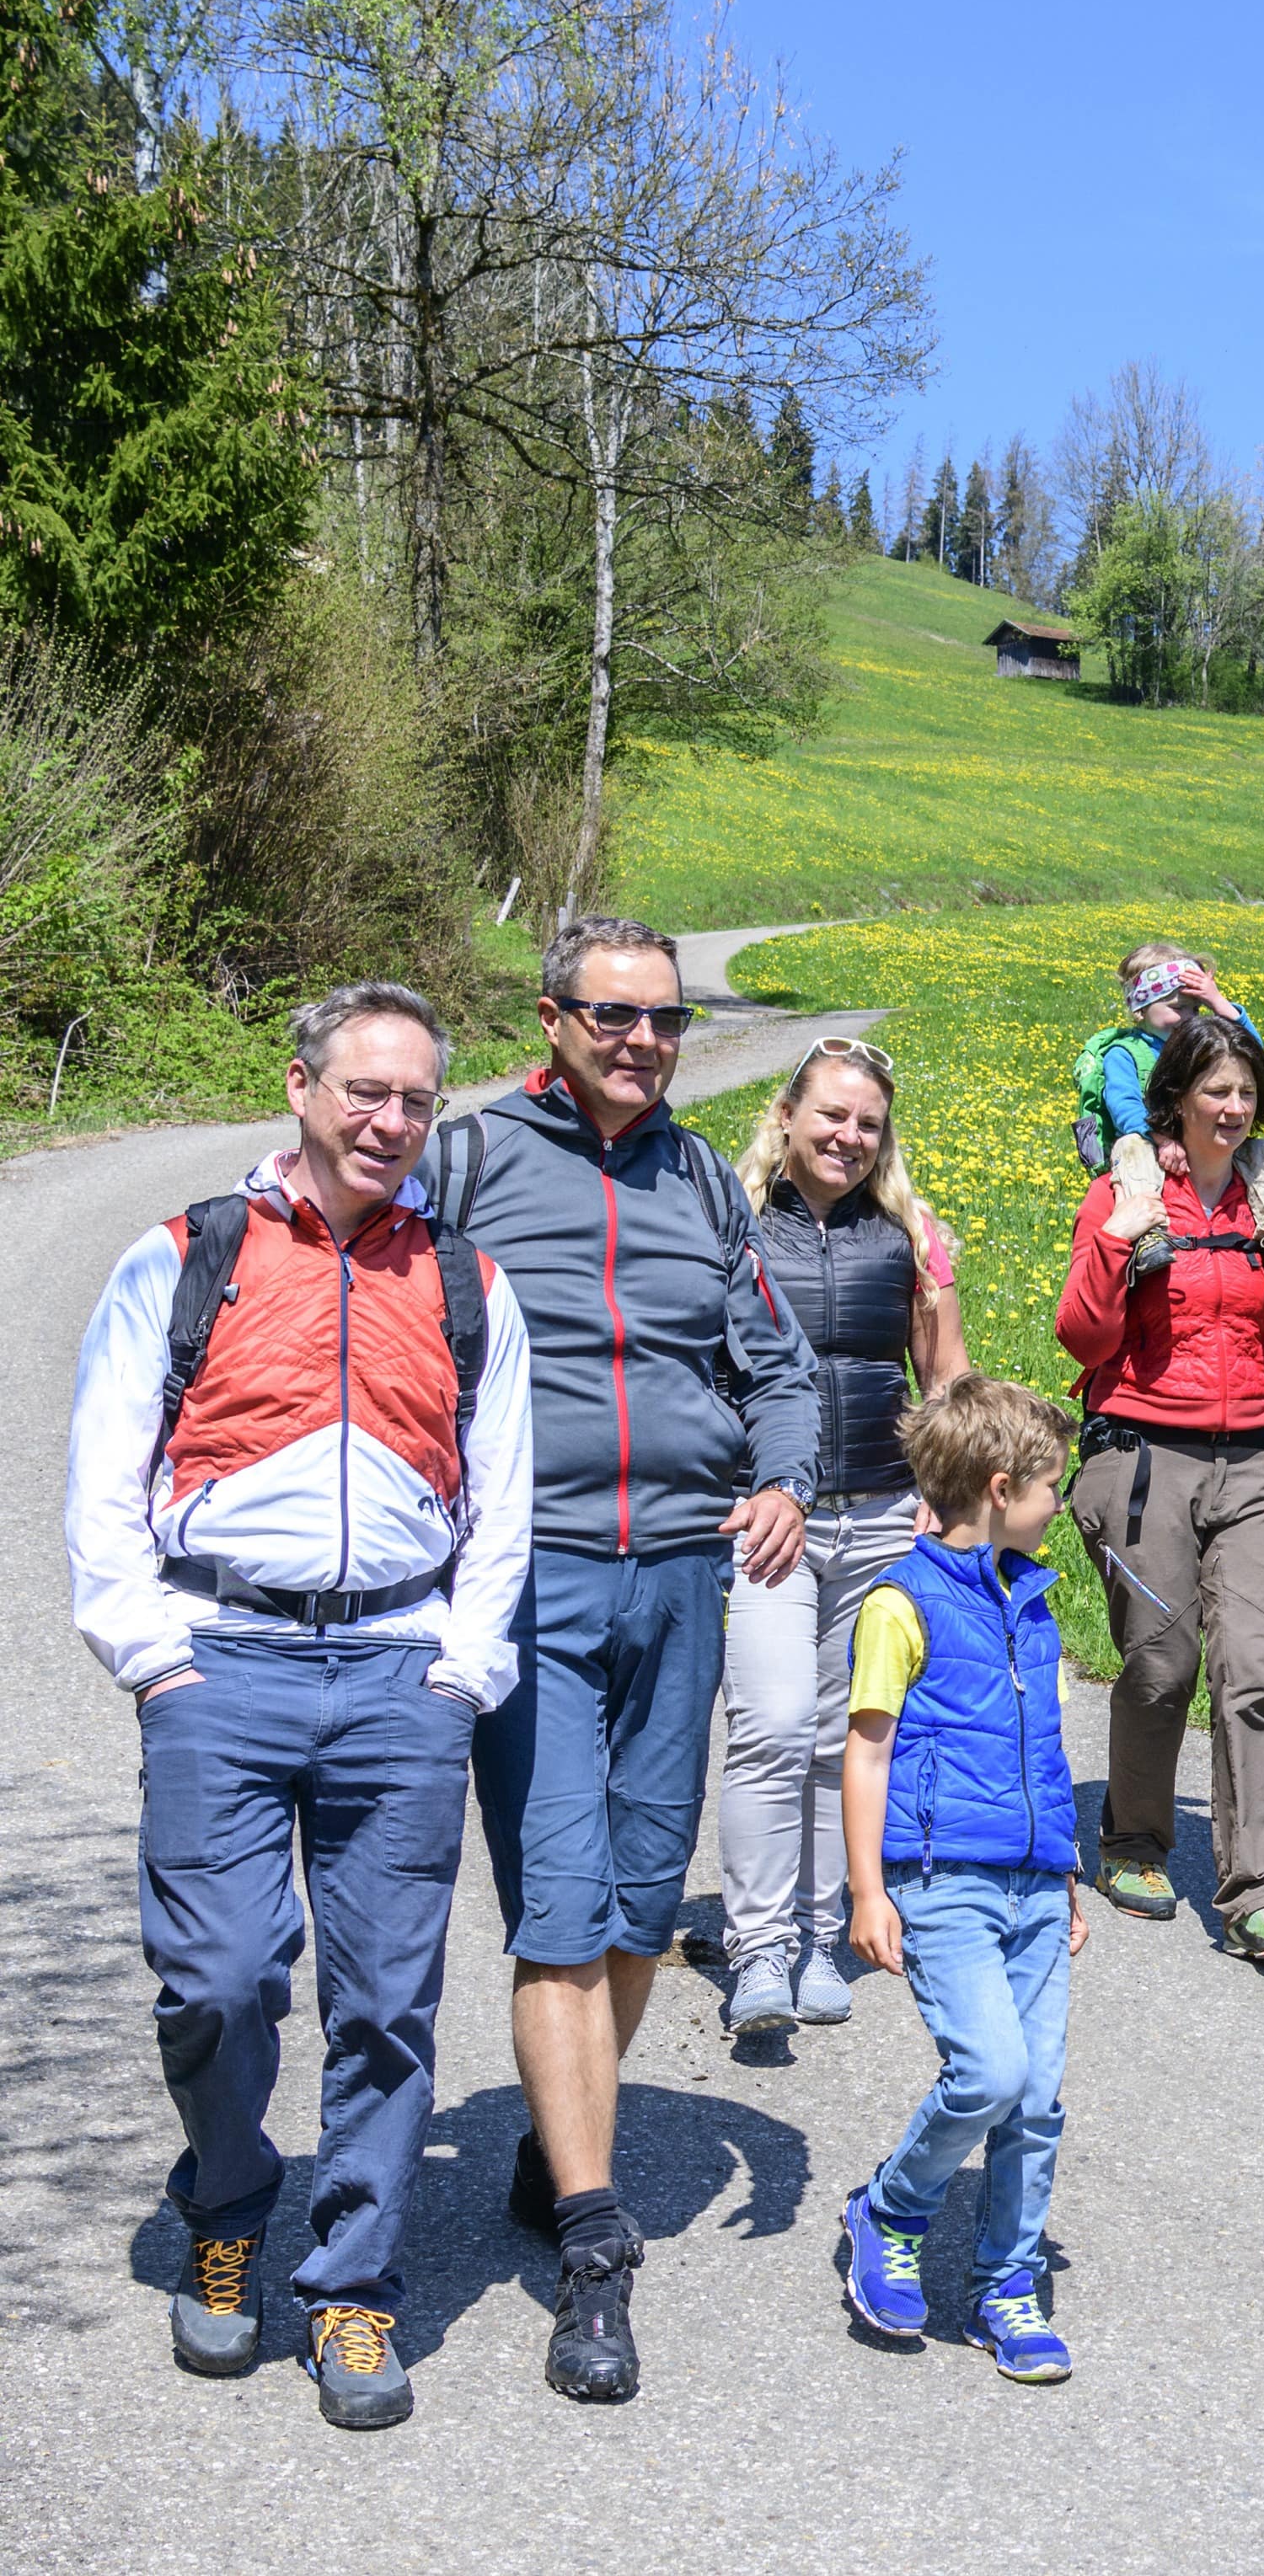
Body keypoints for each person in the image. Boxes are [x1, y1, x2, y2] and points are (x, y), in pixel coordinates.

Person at [66, 981, 534, 2430]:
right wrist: (152, 1654)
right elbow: (103, 1470)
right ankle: (226, 2201)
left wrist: (463, 1668)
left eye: (416, 1101)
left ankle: (351, 2284)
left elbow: (501, 1497)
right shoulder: (187, 1254)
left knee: (390, 2003)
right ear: (303, 1088)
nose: (390, 1121)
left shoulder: (466, 1279)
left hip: (399, 1673)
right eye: (364, 1092)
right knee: (217, 1982)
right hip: (224, 1661)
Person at [427, 914, 818, 2403]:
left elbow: (770, 1362)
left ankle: (557, 2131)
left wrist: (781, 1476)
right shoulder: (467, 1164)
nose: (644, 1041)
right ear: (554, 1016)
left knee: (646, 1904)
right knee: (560, 1909)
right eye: (615, 1016)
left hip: (679, 1580)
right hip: (530, 1583)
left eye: (663, 1020)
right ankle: (595, 2249)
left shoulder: (708, 1181)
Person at [1055, 1007, 1264, 1959]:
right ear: (1175, 1097)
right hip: (1141, 1460)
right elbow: (1082, 1339)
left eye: (1247, 1092)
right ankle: (1133, 1838)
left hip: (1253, 1461)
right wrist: (1114, 1241)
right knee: (1162, 1665)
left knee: (1254, 1671)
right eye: (1216, 1090)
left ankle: (1256, 1887)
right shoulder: (1124, 1194)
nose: (1233, 1107)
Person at [836, 1373, 1087, 2381]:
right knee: (989, 2072)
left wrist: (1064, 1868)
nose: (1058, 1504)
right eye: (1049, 1488)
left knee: (1038, 2100)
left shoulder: (1033, 1603)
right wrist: (866, 1889)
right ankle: (890, 2207)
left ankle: (1006, 2285)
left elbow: (1048, 1749)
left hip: (1032, 1883)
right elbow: (865, 1750)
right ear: (997, 1486)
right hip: (940, 1880)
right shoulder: (901, 1604)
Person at [717, 1034, 967, 2035]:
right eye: (830, 1114)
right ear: (786, 1114)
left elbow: (945, 1379)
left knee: (843, 1735)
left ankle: (821, 1938)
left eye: (868, 1122)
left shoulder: (912, 1233)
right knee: (770, 1726)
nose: (848, 1136)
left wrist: (941, 1496)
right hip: (764, 1518)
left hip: (878, 1512)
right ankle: (756, 1946)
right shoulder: (727, 1224)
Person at [1073, 942, 1264, 1280]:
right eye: (1176, 1006)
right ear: (1140, 1009)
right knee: (1131, 1147)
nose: (1187, 1017)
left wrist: (1219, 1003)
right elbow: (1123, 1106)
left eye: (1195, 1008)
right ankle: (1149, 1236)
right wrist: (1162, 1139)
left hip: (1206, 1149)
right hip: (1151, 1146)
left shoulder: (1203, 1047)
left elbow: (1251, 1056)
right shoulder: (1124, 1053)